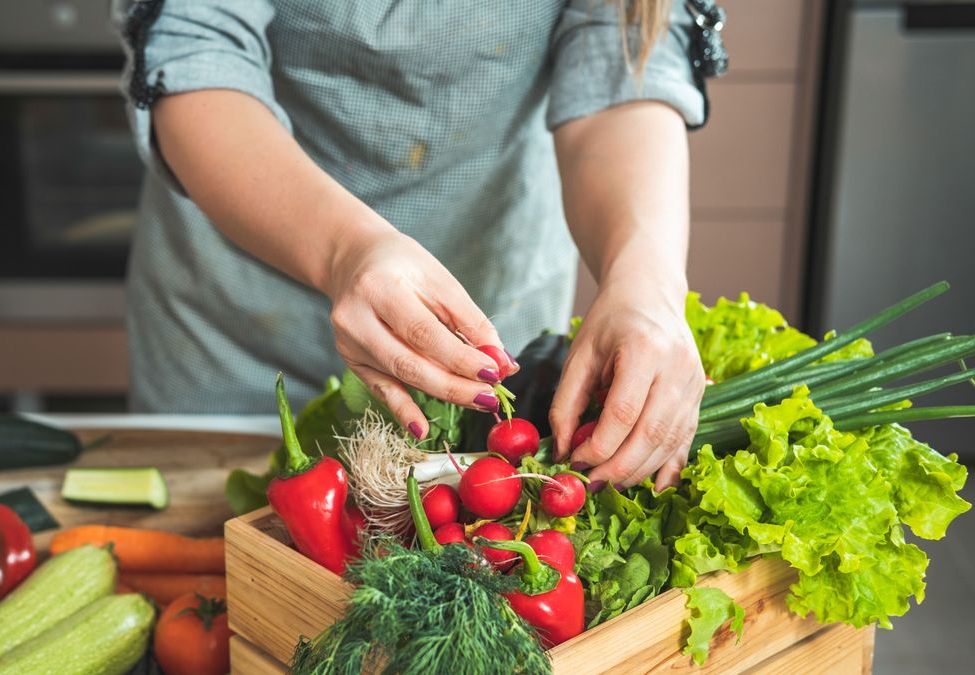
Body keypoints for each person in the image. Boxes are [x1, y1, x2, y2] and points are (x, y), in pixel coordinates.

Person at [119, 0, 721, 490]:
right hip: (238, 328)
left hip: (495, 316)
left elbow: (619, 69)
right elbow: (198, 53)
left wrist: (648, 281)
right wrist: (343, 249)